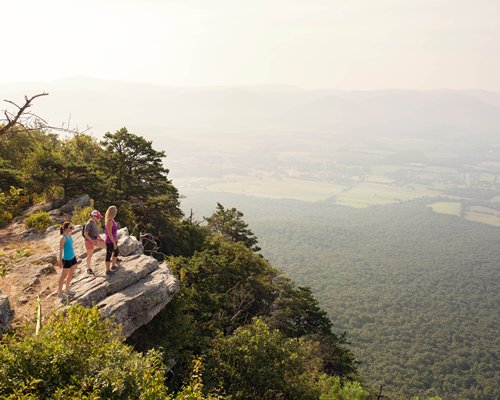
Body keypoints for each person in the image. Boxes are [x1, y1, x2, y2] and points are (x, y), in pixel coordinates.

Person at [58, 221, 77, 297]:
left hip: (72, 257)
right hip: (66, 259)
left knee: (71, 273)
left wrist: (74, 256)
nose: (72, 229)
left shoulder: (69, 234)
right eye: (70, 227)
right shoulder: (62, 238)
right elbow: (60, 250)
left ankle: (66, 289)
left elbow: (70, 246)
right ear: (65, 229)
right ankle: (60, 292)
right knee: (63, 276)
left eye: (72, 227)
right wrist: (60, 261)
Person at [83, 209, 105, 274]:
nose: (99, 218)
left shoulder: (94, 222)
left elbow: (96, 232)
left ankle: (113, 259)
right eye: (98, 217)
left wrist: (100, 238)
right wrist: (92, 241)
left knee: (106, 246)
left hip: (95, 239)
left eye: (99, 217)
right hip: (89, 241)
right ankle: (88, 268)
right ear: (93, 216)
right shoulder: (88, 224)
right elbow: (85, 234)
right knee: (90, 255)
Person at [104, 205, 119, 276]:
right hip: (109, 241)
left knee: (116, 252)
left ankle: (113, 266)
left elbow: (114, 232)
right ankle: (107, 270)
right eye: (115, 212)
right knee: (108, 254)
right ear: (112, 212)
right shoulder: (109, 221)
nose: (116, 213)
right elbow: (109, 234)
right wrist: (114, 243)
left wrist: (116, 240)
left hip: (114, 240)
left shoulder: (112, 219)